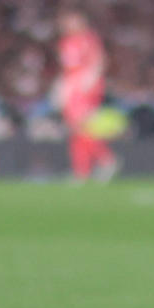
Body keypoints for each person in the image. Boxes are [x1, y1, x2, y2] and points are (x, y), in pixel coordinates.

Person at [54, 11, 117, 182]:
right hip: (72, 86)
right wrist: (63, 86)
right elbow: (67, 69)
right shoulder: (65, 42)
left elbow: (98, 60)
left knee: (83, 126)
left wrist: (90, 79)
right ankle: (83, 170)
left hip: (85, 87)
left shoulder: (88, 39)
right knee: (76, 130)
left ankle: (105, 160)